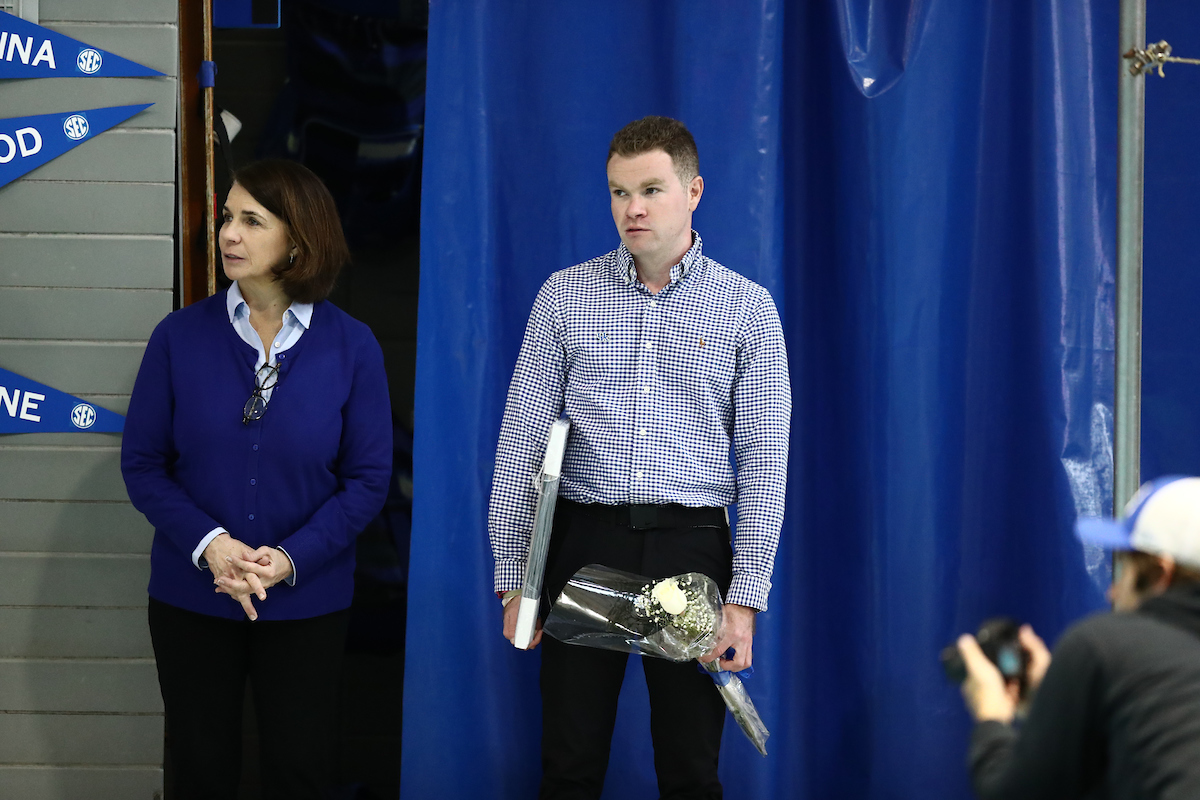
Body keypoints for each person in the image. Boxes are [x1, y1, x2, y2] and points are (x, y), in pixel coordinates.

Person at [488, 116, 791, 798]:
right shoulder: (564, 297)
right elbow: (520, 445)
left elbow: (765, 463)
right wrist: (515, 581)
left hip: (691, 548)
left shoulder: (747, 310)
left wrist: (745, 599)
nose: (634, 209)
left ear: (694, 191)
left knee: (690, 770)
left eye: (651, 190)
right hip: (585, 543)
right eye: (620, 193)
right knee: (569, 766)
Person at [121, 160, 392, 800]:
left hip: (307, 602)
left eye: (251, 220)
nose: (228, 234)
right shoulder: (177, 337)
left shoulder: (353, 347)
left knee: (301, 771)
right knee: (199, 769)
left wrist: (288, 559)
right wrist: (212, 545)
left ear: (298, 239)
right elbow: (143, 465)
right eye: (226, 218)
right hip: (192, 598)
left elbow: (367, 480)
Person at [957, 475, 1200, 799]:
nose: (1113, 592)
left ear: (1160, 575)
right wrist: (1066, 705)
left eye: (1125, 570)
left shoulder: (1104, 646)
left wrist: (991, 717)